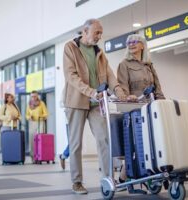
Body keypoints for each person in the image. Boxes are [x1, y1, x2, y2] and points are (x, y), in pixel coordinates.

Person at [62, 18, 126, 194]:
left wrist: (119, 90)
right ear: (85, 31)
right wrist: (91, 92)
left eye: (100, 33)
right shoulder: (70, 48)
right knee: (75, 144)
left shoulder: (99, 52)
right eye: (97, 32)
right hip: (76, 102)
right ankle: (76, 182)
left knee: (104, 138)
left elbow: (110, 75)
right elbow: (71, 76)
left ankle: (107, 179)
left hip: (96, 103)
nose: (99, 36)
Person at [117, 34, 165, 183]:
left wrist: (163, 103)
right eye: (128, 42)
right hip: (134, 110)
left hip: (151, 108)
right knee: (138, 143)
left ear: (142, 45)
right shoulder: (124, 64)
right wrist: (127, 96)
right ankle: (123, 176)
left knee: (153, 141)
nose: (130, 44)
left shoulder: (149, 65)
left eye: (134, 42)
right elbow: (122, 87)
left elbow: (157, 87)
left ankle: (151, 172)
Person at [26, 90, 49, 164]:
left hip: (40, 123)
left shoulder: (41, 103)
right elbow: (26, 115)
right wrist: (29, 117)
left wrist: (40, 116)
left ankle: (40, 157)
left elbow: (46, 114)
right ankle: (33, 158)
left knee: (39, 140)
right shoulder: (29, 104)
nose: (33, 98)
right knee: (32, 141)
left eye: (35, 96)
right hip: (32, 123)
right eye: (32, 96)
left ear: (37, 96)